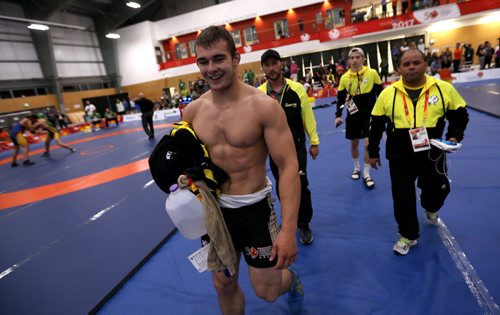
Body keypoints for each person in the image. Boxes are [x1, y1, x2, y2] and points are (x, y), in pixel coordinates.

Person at [183, 25, 303, 315]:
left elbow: (287, 165)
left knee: (268, 291)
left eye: (219, 59)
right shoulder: (193, 112)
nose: (211, 68)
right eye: (203, 61)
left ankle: (293, 281)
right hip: (215, 213)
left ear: (236, 60)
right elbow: (190, 165)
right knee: (223, 284)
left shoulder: (264, 107)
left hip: (255, 210)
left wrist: (288, 230)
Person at [368, 49, 469, 255]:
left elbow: (460, 116)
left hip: (432, 151)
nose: (411, 67)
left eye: (416, 62)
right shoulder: (388, 93)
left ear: (425, 64)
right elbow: (376, 125)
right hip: (399, 153)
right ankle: (408, 235)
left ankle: (430, 207)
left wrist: (454, 137)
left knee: (439, 189)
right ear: (399, 69)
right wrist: (373, 151)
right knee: (402, 196)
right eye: (406, 64)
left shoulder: (443, 89)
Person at [259, 49, 320, 245]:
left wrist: (314, 141)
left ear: (281, 64)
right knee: (282, 186)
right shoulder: (259, 93)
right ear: (263, 69)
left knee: (301, 185)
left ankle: (303, 223)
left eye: (274, 63)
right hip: (274, 151)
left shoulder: (297, 89)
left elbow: (307, 117)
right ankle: (288, 222)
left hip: (297, 147)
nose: (271, 68)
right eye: (267, 65)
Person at [334, 47, 382, 189]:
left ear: (363, 59)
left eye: (357, 57)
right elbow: (341, 99)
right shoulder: (344, 78)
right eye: (352, 58)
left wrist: (385, 112)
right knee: (354, 143)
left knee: (367, 144)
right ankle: (357, 168)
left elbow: (381, 94)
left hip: (369, 115)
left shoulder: (372, 73)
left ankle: (367, 174)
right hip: (353, 116)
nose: (355, 60)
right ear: (348, 60)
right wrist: (338, 115)